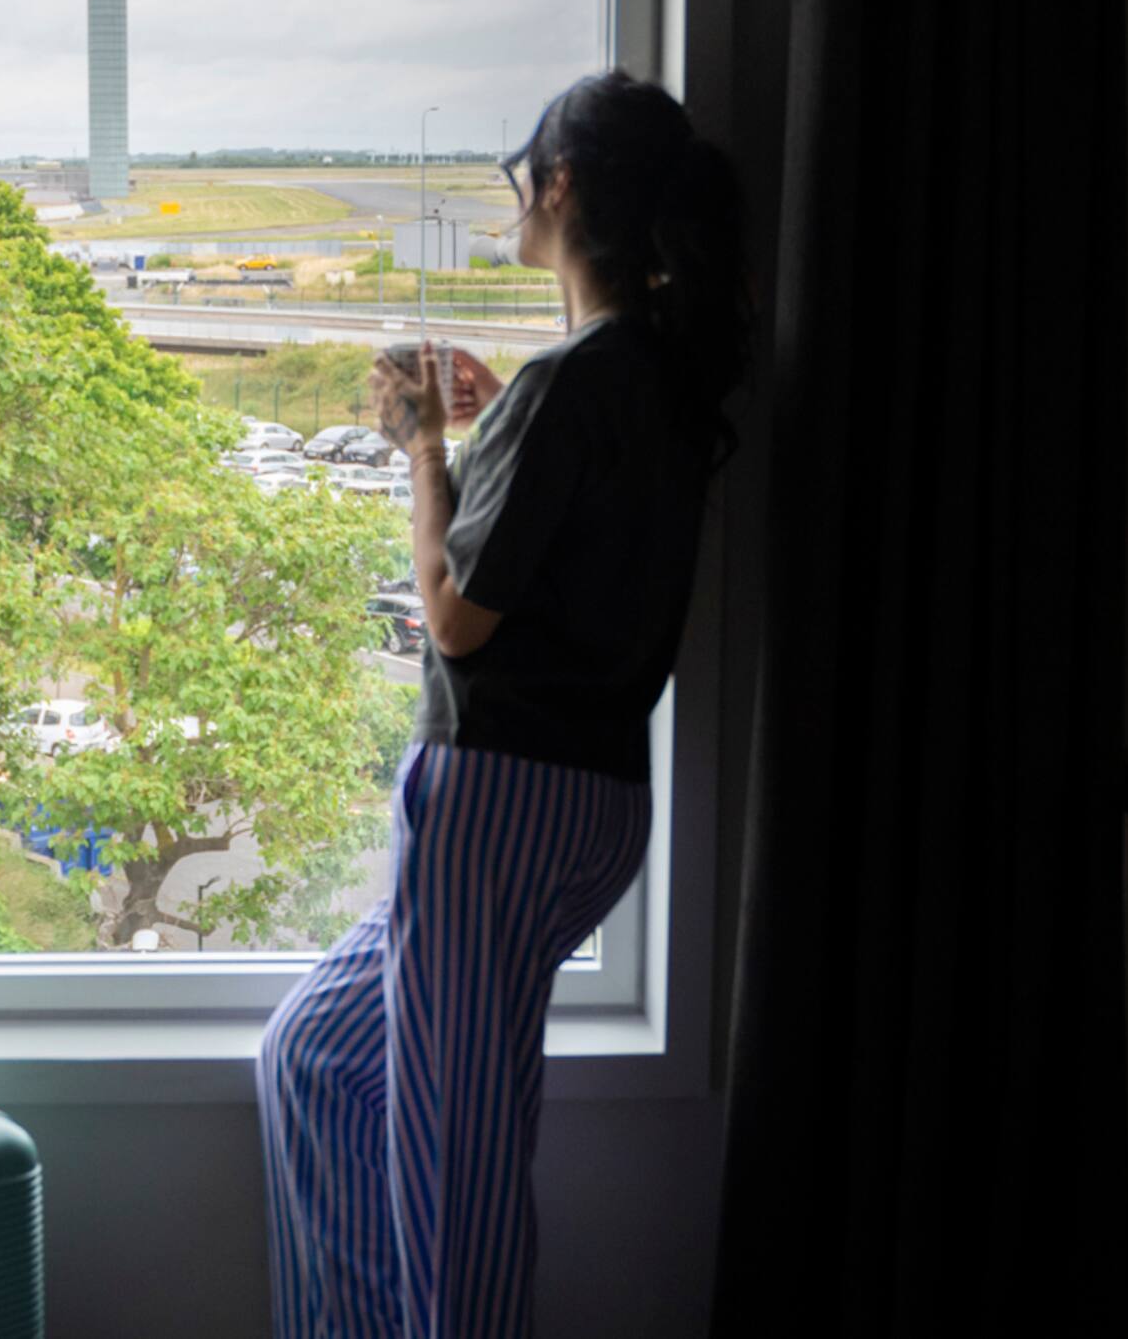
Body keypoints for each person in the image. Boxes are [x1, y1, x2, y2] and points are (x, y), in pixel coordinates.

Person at [255, 69, 752, 1339]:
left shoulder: (571, 385)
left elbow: (456, 617)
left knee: (453, 1174)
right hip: (587, 806)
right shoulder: (651, 377)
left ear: (562, 184)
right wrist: (485, 434)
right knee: (311, 1058)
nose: (514, 197)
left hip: (499, 802)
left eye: (519, 174)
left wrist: (419, 444)